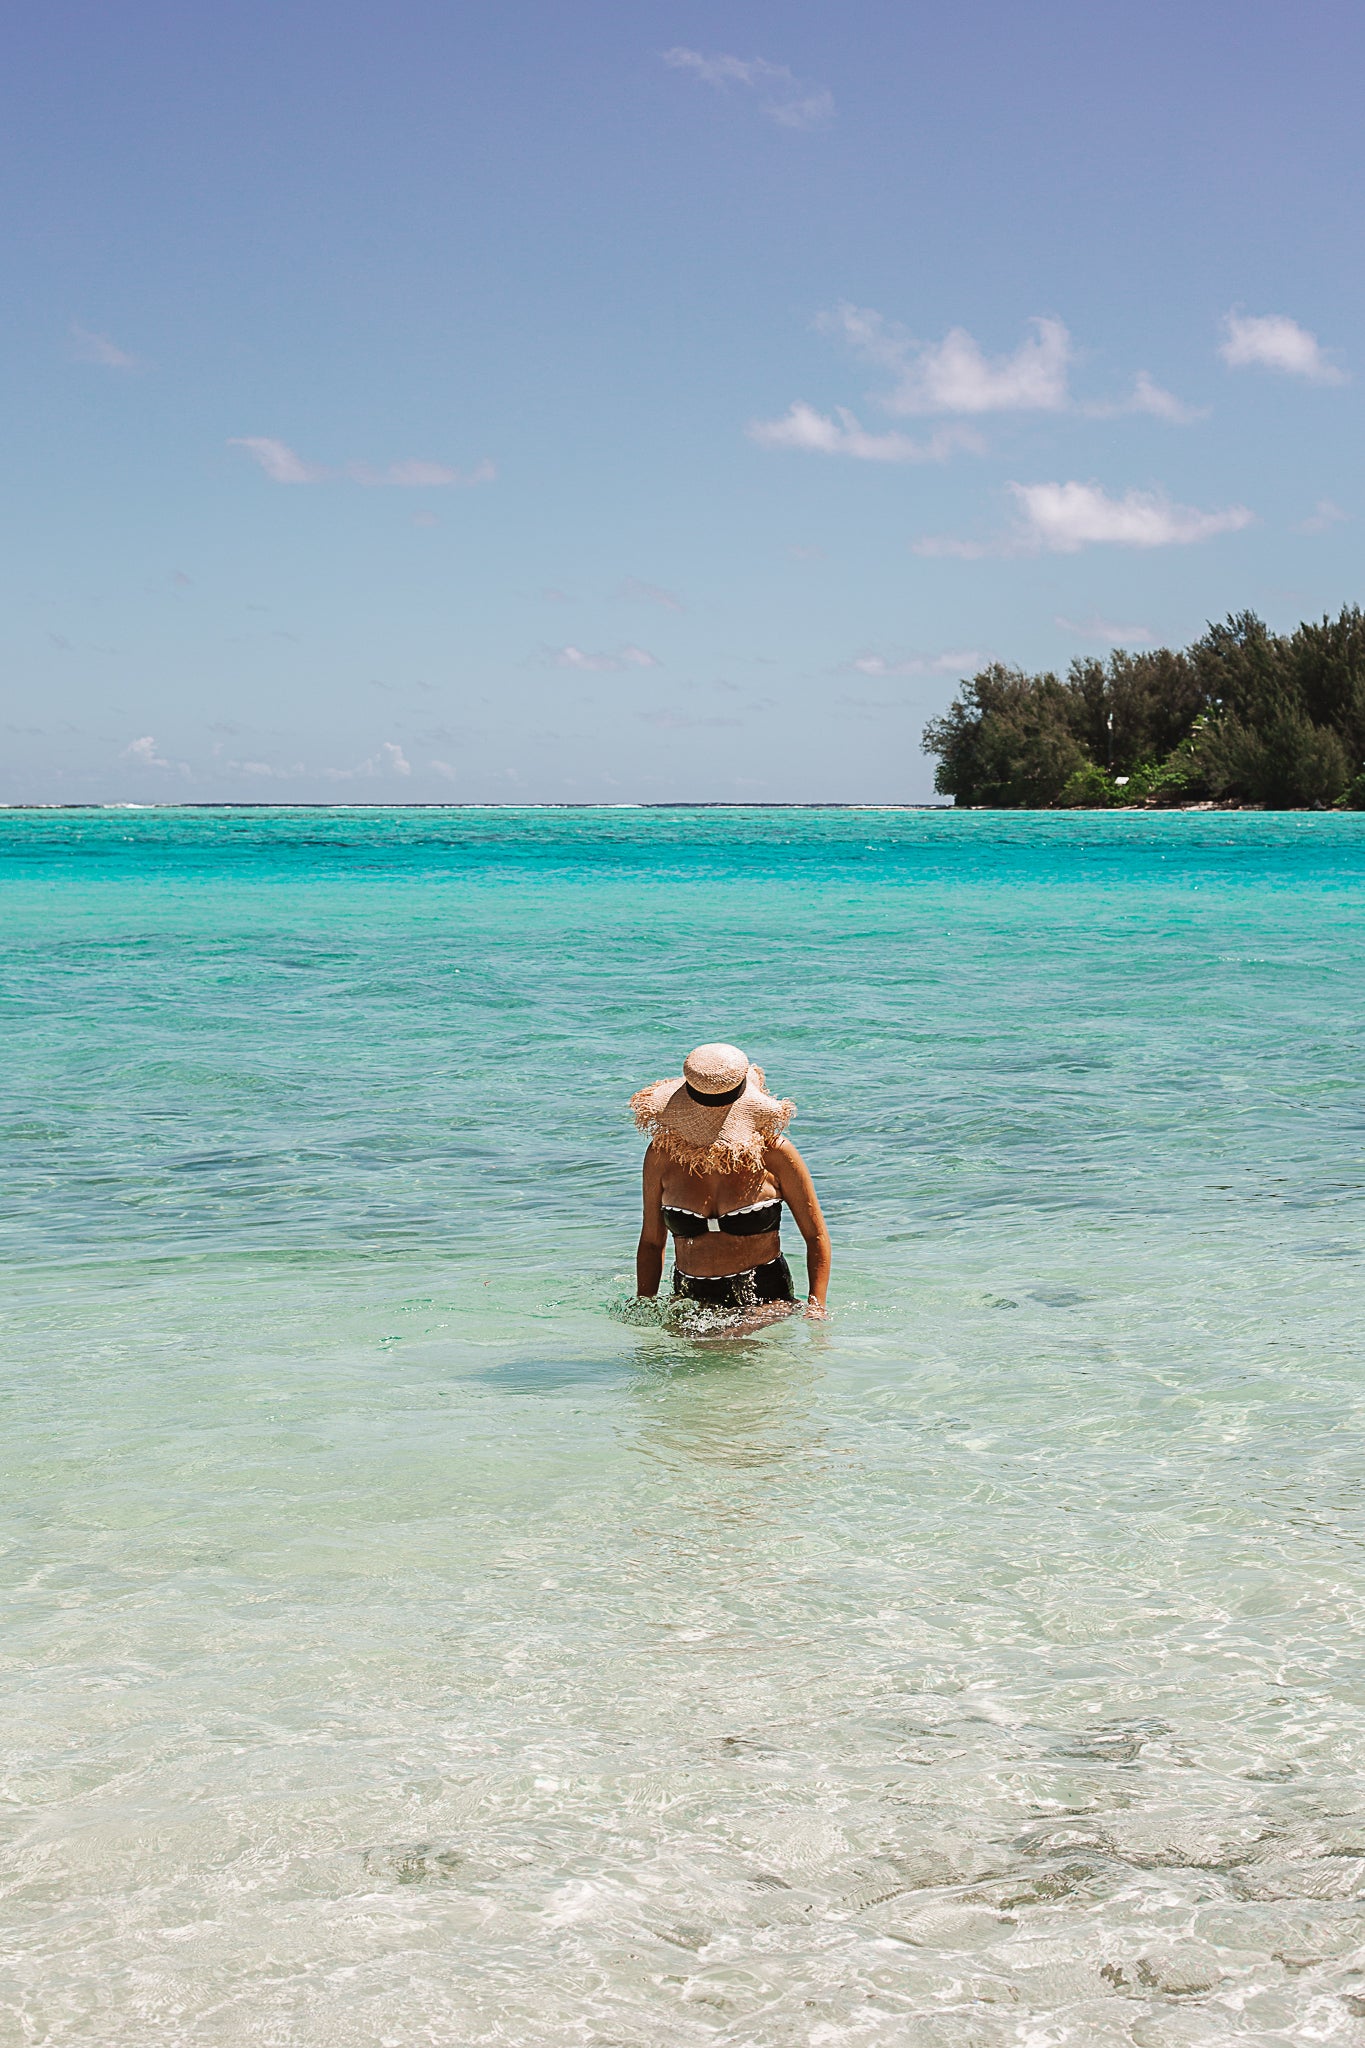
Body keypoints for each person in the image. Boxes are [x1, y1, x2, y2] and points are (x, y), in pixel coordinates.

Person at [631, 1042, 830, 1319]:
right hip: (689, 1300)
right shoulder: (662, 1154)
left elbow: (816, 1235)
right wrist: (644, 1305)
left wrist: (816, 1306)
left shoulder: (775, 1153)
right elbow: (652, 1242)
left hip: (765, 1301)